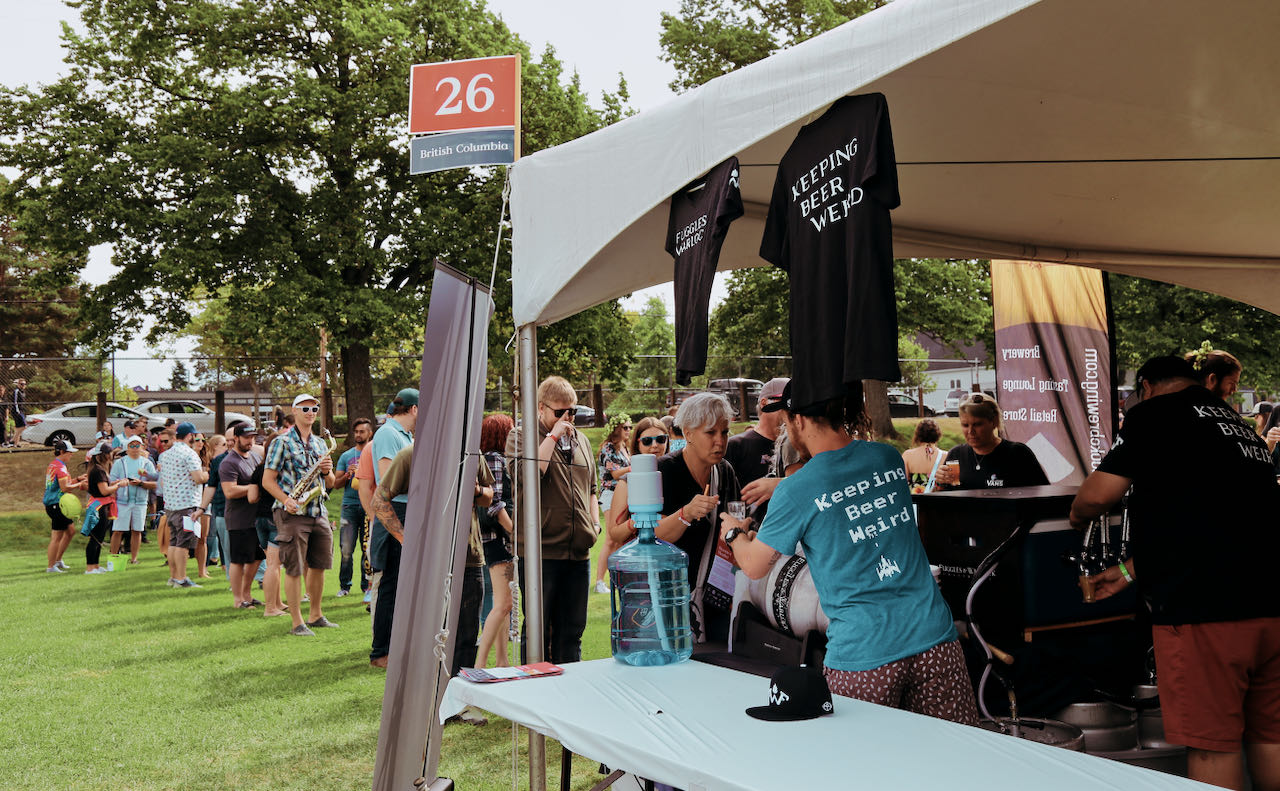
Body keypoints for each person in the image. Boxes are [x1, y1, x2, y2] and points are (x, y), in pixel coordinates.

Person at [1069, 355, 1280, 791]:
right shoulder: (1239, 426)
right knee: (1271, 735)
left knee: (1212, 746)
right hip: (1272, 603)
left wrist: (1077, 516)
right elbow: (1215, 519)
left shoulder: (1156, 414)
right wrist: (1130, 571)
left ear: (1146, 387)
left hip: (1205, 611)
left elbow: (1097, 495)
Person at [719, 381, 979, 725]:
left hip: (864, 652)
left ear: (799, 420)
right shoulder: (887, 457)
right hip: (934, 637)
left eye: (786, 421)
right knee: (956, 752)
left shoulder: (797, 490)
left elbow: (754, 566)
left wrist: (734, 533)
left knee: (861, 755)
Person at [612, 393, 740, 642]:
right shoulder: (663, 471)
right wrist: (686, 513)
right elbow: (650, 536)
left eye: (724, 432)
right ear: (688, 433)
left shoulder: (724, 471)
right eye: (711, 432)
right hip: (667, 597)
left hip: (717, 596)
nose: (720, 441)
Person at [370, 444, 493, 700]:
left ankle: (460, 701)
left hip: (469, 557)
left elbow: (488, 497)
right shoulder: (412, 454)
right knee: (426, 634)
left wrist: (477, 491)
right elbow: (379, 500)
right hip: (429, 562)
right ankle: (424, 700)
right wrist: (405, 539)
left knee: (467, 634)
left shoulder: (472, 451)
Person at [505, 376, 599, 664]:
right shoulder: (520, 436)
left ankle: (570, 685)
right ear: (541, 408)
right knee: (539, 631)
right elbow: (529, 475)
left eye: (572, 411)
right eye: (560, 412)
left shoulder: (582, 440)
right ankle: (534, 687)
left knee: (572, 631)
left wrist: (595, 525)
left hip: (578, 551)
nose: (567, 418)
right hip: (541, 551)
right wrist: (553, 436)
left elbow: (592, 488)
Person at [262, 394, 337, 636]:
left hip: (318, 510)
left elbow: (331, 482)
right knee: (294, 567)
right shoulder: (281, 442)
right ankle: (297, 622)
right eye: (305, 408)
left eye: (314, 408)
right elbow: (267, 480)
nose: (311, 412)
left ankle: (316, 615)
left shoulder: (320, 444)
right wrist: (287, 500)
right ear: (294, 411)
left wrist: (326, 472)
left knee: (319, 565)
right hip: (292, 513)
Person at [369, 389, 419, 664]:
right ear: (414, 409)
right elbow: (388, 478)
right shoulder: (388, 433)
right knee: (390, 586)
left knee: (402, 587)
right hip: (394, 511)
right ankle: (381, 653)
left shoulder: (406, 435)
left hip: (406, 510)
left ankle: (396, 647)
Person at [934, 393, 1049, 489]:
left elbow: (1044, 494)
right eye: (965, 425)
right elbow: (942, 499)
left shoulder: (1018, 453)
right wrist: (940, 482)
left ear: (993, 422)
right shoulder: (956, 455)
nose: (970, 431)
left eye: (977, 424)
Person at [477, 413, 517, 669]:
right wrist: (513, 531)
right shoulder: (494, 459)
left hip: (497, 539)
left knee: (503, 603)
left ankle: (502, 661)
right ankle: (479, 664)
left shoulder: (490, 458)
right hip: (498, 539)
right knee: (503, 603)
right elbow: (494, 503)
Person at [726, 377, 789, 520]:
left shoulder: (798, 447)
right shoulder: (737, 445)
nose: (790, 409)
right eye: (784, 402)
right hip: (749, 527)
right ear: (764, 403)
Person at [220, 425, 266, 609]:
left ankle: (247, 594)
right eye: (246, 437)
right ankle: (238, 599)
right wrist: (254, 488)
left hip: (257, 517)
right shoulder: (229, 462)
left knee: (257, 557)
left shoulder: (255, 457)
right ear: (236, 438)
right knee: (238, 560)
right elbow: (229, 491)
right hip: (239, 518)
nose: (250, 441)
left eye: (252, 437)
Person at [160, 422, 208, 588]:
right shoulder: (189, 454)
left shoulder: (165, 455)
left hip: (171, 505)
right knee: (184, 543)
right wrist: (207, 475)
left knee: (174, 541)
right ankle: (181, 579)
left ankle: (174, 577)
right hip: (187, 504)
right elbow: (198, 478)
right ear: (190, 436)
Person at [605, 416, 669, 539]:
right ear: (637, 444)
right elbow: (615, 534)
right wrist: (639, 519)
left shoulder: (677, 470)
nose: (655, 445)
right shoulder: (627, 482)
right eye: (647, 441)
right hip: (644, 547)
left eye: (661, 439)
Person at [333, 417, 373, 598]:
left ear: (369, 433)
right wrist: (348, 475)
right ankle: (345, 586)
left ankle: (366, 586)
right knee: (346, 549)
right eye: (356, 432)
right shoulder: (346, 456)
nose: (358, 435)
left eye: (362, 431)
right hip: (349, 506)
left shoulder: (374, 453)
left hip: (368, 506)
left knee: (367, 548)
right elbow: (336, 484)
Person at [593, 413, 632, 594]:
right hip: (610, 494)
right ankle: (599, 581)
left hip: (623, 494)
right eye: (625, 427)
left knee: (620, 540)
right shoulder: (608, 448)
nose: (628, 430)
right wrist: (635, 466)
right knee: (610, 539)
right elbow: (615, 473)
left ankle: (615, 578)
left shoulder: (625, 447)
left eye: (630, 427)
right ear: (616, 429)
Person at [249, 437, 286, 617]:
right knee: (273, 565)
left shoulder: (259, 469)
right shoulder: (282, 469)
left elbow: (251, 497)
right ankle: (270, 608)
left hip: (260, 519)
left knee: (274, 564)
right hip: (275, 517)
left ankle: (278, 602)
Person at [109, 435, 156, 563]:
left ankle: (134, 558)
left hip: (140, 502)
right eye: (132, 446)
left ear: (142, 447)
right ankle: (113, 558)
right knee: (118, 530)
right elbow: (111, 482)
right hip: (122, 502)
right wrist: (121, 483)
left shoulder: (147, 463)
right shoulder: (120, 463)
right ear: (127, 447)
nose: (135, 448)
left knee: (137, 530)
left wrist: (141, 483)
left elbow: (156, 483)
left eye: (137, 445)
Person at [44, 439, 86, 572]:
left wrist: (77, 479)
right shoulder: (60, 467)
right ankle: (51, 566)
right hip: (57, 504)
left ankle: (57, 560)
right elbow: (65, 488)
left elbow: (64, 484)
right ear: (62, 452)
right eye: (69, 452)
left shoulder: (55, 464)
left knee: (70, 531)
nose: (71, 455)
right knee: (57, 536)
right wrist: (80, 484)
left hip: (56, 503)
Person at [83, 443, 119, 574]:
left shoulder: (98, 469)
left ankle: (96, 565)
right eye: (109, 453)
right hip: (99, 506)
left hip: (101, 505)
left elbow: (104, 486)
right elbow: (104, 491)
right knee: (96, 537)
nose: (111, 456)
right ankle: (90, 567)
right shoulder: (98, 470)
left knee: (100, 537)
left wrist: (114, 484)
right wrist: (118, 485)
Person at [192, 432, 214, 577]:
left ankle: (202, 570)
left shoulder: (207, 459)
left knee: (203, 537)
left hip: (204, 500)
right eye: (197, 440)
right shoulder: (187, 458)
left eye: (202, 440)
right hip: (189, 501)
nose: (200, 442)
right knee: (188, 539)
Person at [901, 418, 944, 490]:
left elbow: (902, 482)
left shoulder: (907, 455)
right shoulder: (946, 455)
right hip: (941, 497)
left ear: (918, 435)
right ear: (938, 435)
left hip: (916, 496)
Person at [12, 378, 29, 446]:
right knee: (24, 426)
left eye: (24, 384)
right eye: (21, 384)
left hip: (22, 410)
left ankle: (16, 443)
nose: (23, 385)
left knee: (18, 427)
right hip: (17, 411)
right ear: (18, 384)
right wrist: (17, 411)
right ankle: (12, 440)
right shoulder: (16, 391)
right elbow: (15, 402)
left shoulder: (23, 392)